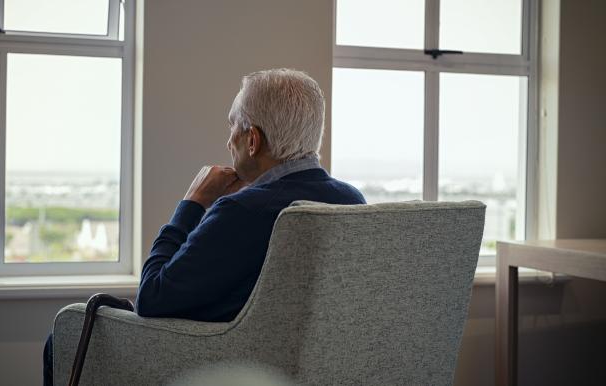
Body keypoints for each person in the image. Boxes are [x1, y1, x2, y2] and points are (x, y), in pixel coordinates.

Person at [43, 68, 365, 385]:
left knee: (60, 339)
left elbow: (152, 298)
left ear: (252, 140)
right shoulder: (353, 203)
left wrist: (193, 202)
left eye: (232, 128)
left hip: (226, 362)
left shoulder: (242, 212)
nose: (228, 141)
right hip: (315, 370)